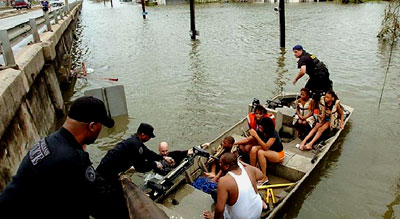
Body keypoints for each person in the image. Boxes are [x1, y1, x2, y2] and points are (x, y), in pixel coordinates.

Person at [0, 96, 115, 219]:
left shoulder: (49, 141)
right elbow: (97, 204)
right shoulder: (72, 158)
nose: (101, 129)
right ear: (92, 126)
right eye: (101, 125)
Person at [96, 123, 170, 219]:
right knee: (115, 203)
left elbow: (147, 153)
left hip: (111, 172)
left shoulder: (134, 142)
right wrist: (155, 164)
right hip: (106, 176)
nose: (149, 139)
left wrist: (162, 158)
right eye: (149, 136)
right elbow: (141, 167)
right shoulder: (134, 145)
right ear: (143, 134)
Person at [203, 153, 263, 219]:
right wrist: (246, 165)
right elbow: (261, 175)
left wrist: (214, 217)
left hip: (241, 217)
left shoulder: (223, 181)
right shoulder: (249, 169)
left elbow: (220, 210)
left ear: (227, 166)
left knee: (215, 193)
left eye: (220, 163)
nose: (219, 165)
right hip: (258, 211)